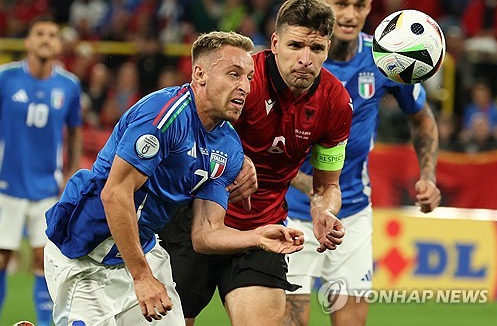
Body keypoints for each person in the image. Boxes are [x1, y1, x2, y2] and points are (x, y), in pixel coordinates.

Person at [43, 30, 305, 326]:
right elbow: (114, 194)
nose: (244, 87)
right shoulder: (164, 115)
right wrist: (142, 277)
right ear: (199, 74)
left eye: (248, 78)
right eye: (234, 74)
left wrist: (256, 236)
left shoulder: (229, 147)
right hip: (85, 255)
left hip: (141, 253)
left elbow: (206, 233)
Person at [159, 0, 353, 326]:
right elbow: (188, 127)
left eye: (317, 49)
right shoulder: (243, 78)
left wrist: (324, 211)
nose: (305, 59)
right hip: (194, 223)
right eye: (295, 46)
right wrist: (234, 157)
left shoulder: (336, 103)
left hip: (262, 230)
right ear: (275, 43)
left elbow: (328, 184)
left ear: (328, 49)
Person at [284, 0, 442, 326]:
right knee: (292, 322)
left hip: (352, 213)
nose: (350, 14)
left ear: (371, 5)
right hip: (292, 213)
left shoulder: (386, 58)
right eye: (340, 3)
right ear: (323, 0)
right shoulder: (300, 60)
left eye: (359, 5)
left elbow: (422, 116)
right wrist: (313, 189)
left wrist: (428, 175)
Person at [0, 16, 82, 326]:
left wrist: (71, 173)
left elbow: (74, 132)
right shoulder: (5, 78)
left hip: (47, 187)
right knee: (1, 259)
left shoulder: (69, 85)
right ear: (28, 42)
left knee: (44, 260)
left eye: (52, 34)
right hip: (5, 185)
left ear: (59, 44)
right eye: (39, 34)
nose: (46, 39)